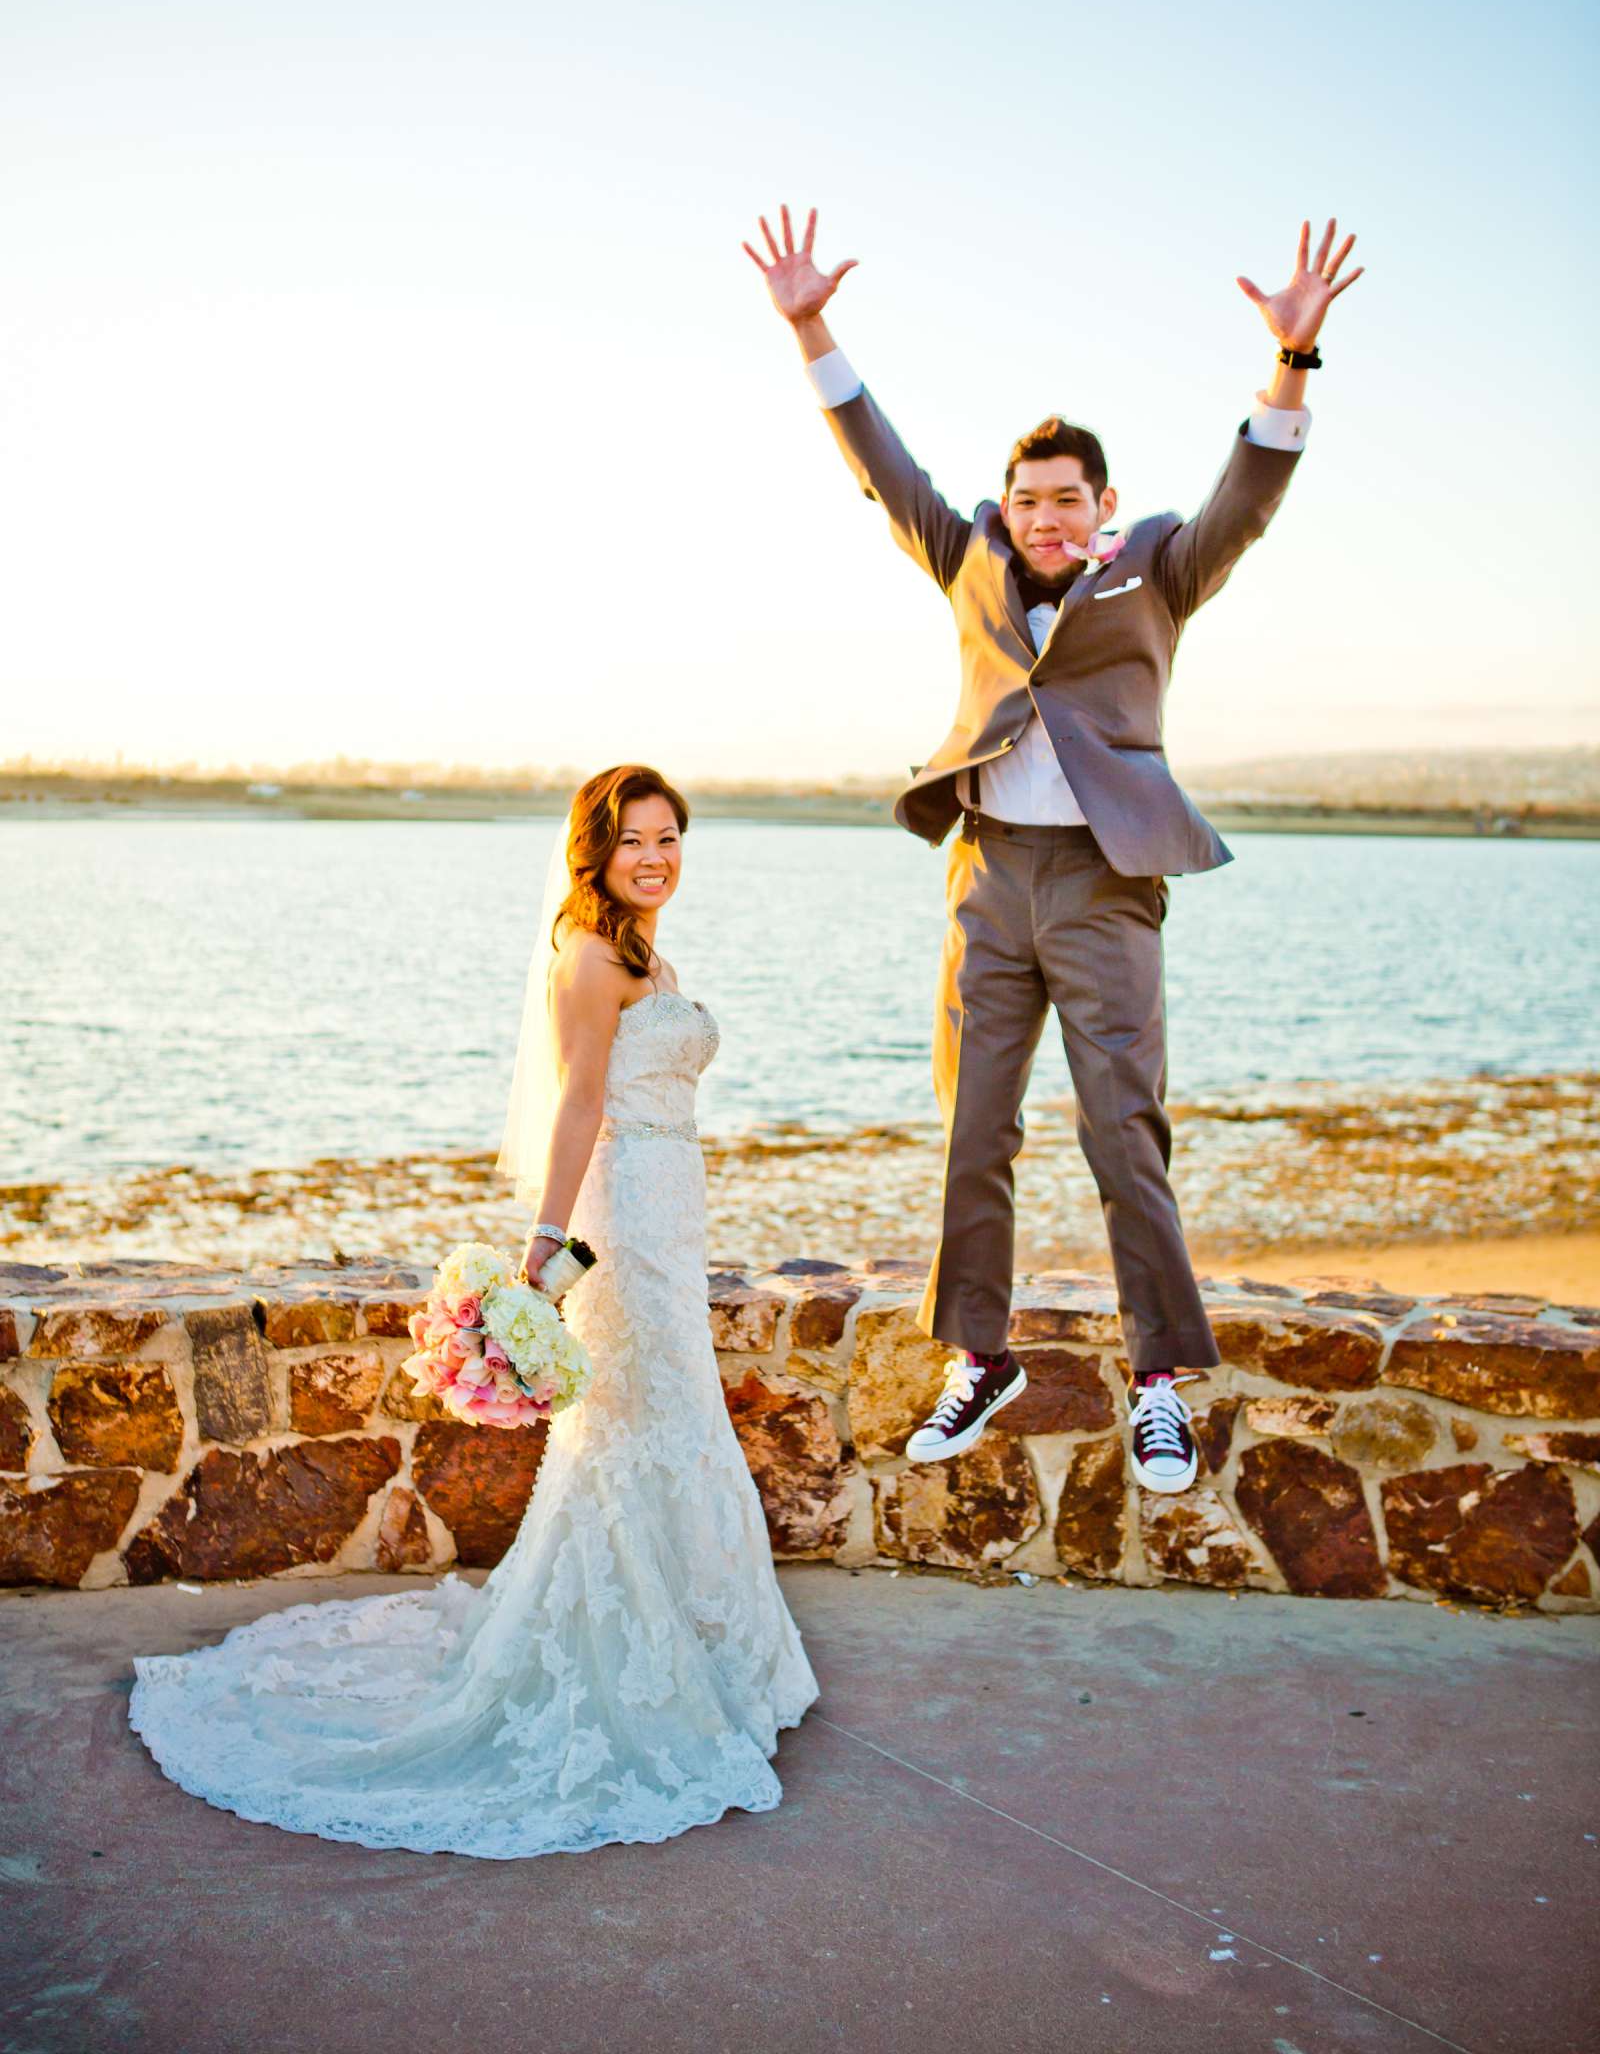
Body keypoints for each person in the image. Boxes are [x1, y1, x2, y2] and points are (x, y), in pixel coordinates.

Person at [745, 207, 1363, 1492]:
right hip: (987, 877)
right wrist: (810, 327)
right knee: (974, 1128)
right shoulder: (964, 552)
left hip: (1102, 886)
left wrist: (1288, 367)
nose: (1041, 516)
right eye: (1025, 499)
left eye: (1064, 500)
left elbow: (1248, 499)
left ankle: (1156, 1386)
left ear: (1102, 508)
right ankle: (981, 1357)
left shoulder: (1157, 572)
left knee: (1119, 1131)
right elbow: (882, 462)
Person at [129, 763, 818, 1857]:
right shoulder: (587, 956)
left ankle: (701, 1649)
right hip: (623, 1220)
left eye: (671, 839)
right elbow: (579, 1102)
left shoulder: (650, 950)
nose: (656, 858)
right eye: (635, 841)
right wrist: (546, 1247)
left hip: (672, 1211)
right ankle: (630, 1659)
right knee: (633, 1426)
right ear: (595, 851)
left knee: (667, 1421)